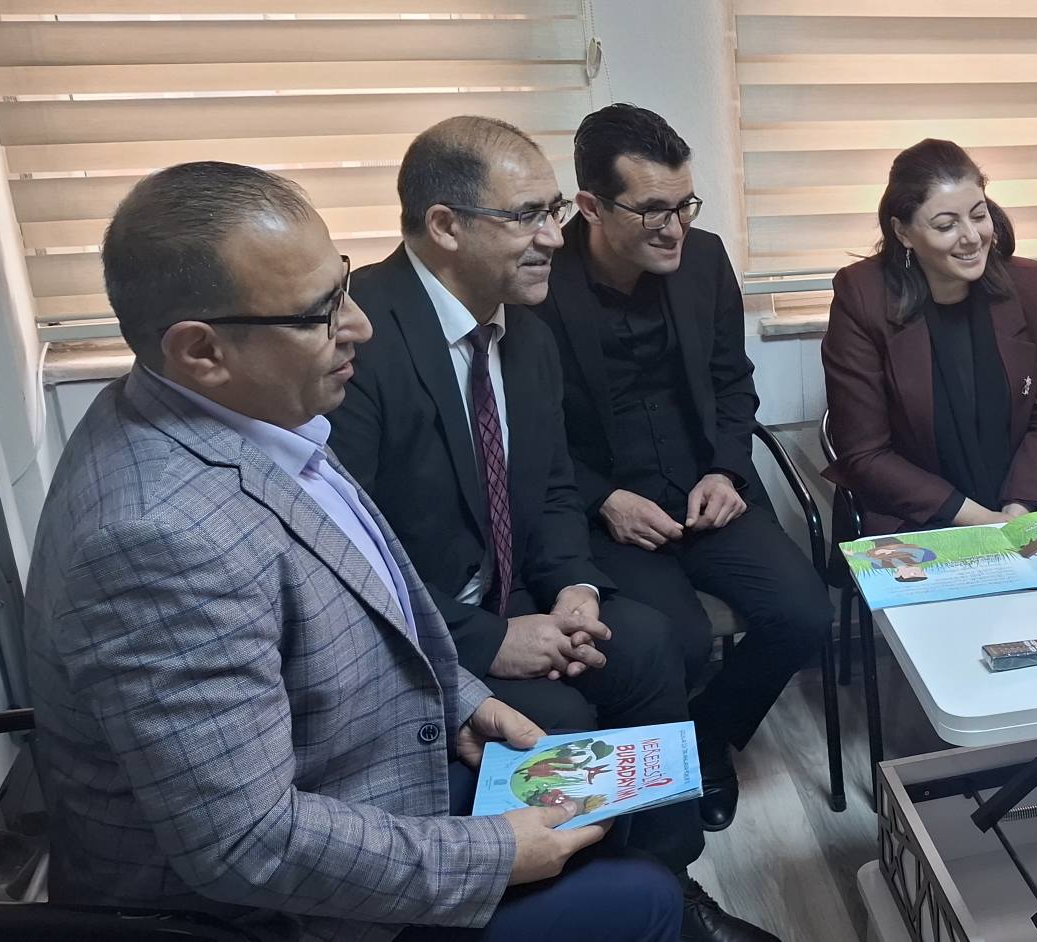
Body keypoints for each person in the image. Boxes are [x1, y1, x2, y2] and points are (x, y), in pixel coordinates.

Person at [24, 161, 682, 941]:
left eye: (342, 286)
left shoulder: (253, 414)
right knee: (645, 899)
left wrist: (463, 701)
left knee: (610, 810)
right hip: (273, 912)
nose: (360, 326)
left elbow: (370, 603)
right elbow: (247, 844)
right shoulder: (156, 539)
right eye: (320, 313)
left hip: (368, 772)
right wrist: (495, 854)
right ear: (201, 350)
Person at [327, 117, 769, 942]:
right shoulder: (360, 342)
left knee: (647, 645)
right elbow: (341, 556)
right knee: (558, 716)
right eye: (528, 216)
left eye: (555, 211)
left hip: (519, 590)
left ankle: (668, 885)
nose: (554, 238)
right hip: (416, 633)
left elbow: (555, 485)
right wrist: (488, 639)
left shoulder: (522, 333)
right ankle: (590, 902)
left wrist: (573, 586)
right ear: (445, 226)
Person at [533, 103, 829, 834]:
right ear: (591, 207)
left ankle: (706, 738)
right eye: (653, 211)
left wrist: (726, 471)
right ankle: (659, 774)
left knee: (805, 614)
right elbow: (527, 430)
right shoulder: (540, 284)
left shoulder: (704, 260)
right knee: (679, 642)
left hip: (707, 489)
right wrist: (603, 499)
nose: (674, 228)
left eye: (685, 205)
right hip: (608, 510)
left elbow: (733, 384)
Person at [821, 139, 1037, 535]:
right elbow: (865, 453)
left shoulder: (1027, 284)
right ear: (903, 232)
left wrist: (1018, 508)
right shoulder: (863, 295)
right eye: (946, 225)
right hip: (919, 514)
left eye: (979, 215)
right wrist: (984, 522)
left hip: (1024, 498)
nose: (972, 237)